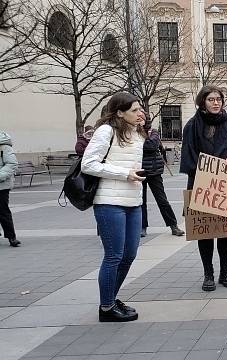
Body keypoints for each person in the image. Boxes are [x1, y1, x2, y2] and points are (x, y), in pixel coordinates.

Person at [81, 92, 146, 322]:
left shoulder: (137, 132)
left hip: (133, 202)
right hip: (109, 203)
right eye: (135, 110)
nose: (141, 113)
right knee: (114, 256)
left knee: (129, 255)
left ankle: (112, 297)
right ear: (119, 112)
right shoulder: (106, 131)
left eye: (140, 109)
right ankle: (106, 307)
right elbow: (88, 164)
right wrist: (124, 174)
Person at [180, 85, 227, 292]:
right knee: (204, 230)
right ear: (202, 102)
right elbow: (188, 155)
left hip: (225, 184)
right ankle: (208, 273)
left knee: (226, 230)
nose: (216, 103)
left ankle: (226, 271)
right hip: (200, 183)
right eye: (211, 99)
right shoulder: (192, 125)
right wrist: (206, 169)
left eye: (218, 99)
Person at [140, 114, 185, 237]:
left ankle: (173, 226)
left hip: (154, 171)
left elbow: (151, 145)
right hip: (139, 171)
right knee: (141, 201)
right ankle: (142, 227)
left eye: (142, 118)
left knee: (162, 200)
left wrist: (140, 138)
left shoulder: (153, 131)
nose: (140, 120)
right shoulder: (132, 132)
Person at [0, 131, 20, 247]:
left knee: (3, 211)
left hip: (2, 185)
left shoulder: (4, 147)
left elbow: (12, 164)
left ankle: (11, 237)